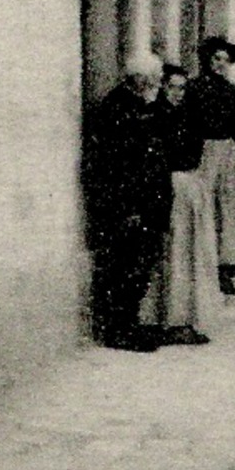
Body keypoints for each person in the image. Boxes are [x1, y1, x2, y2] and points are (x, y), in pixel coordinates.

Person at [84, 53, 170, 353]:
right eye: (154, 78)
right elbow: (114, 166)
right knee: (123, 268)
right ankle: (118, 330)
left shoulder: (141, 105)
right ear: (140, 79)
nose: (157, 84)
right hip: (128, 209)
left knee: (139, 266)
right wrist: (127, 209)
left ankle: (130, 324)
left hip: (147, 206)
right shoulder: (116, 108)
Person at [144, 64, 221, 345]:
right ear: (162, 87)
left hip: (189, 188)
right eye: (172, 87)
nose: (177, 93)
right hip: (168, 188)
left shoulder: (188, 116)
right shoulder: (154, 116)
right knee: (171, 252)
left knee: (189, 254)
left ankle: (184, 319)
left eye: (182, 88)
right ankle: (164, 320)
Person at [187, 36, 235, 295]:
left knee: (229, 209)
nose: (220, 64)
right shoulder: (193, 89)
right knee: (205, 204)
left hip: (228, 152)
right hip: (203, 151)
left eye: (225, 60)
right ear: (207, 60)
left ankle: (225, 267)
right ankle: (203, 266)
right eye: (215, 59)